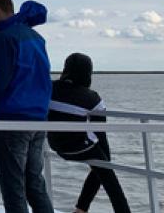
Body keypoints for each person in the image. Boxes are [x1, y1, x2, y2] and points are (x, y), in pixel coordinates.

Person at [0, 0, 53, 213]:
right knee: (34, 184)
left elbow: (0, 83)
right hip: (38, 119)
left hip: (11, 120)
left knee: (13, 186)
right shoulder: (35, 37)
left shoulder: (5, 38)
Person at [48, 53, 131, 213]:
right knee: (106, 169)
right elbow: (100, 133)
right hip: (80, 148)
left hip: (56, 145)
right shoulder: (92, 98)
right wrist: (107, 158)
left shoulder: (49, 88)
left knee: (102, 163)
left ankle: (81, 210)